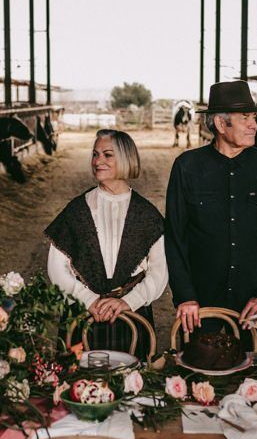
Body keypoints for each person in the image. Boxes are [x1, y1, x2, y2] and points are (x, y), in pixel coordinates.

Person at [165, 80, 257, 334]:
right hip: (199, 305)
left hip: (253, 305)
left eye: (254, 117)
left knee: (255, 371)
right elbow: (174, 237)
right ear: (221, 124)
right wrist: (185, 296)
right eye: (245, 117)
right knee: (196, 371)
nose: (254, 125)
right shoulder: (187, 167)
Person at [45, 129, 167, 356]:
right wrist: (88, 300)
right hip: (82, 315)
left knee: (132, 385)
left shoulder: (146, 214)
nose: (97, 161)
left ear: (126, 158)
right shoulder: (76, 210)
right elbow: (57, 267)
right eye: (95, 154)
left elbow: (159, 272)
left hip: (132, 315)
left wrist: (128, 301)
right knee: (79, 386)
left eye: (107, 155)